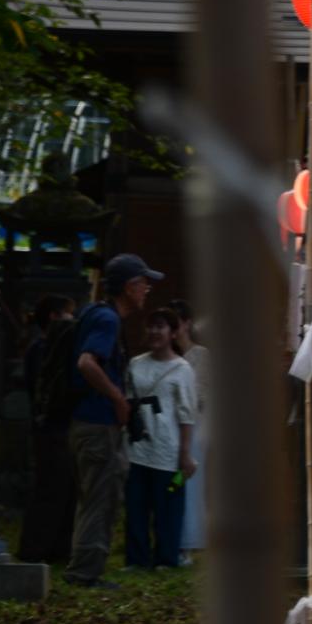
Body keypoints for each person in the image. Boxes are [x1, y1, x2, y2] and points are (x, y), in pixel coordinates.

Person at [65, 252, 162, 588]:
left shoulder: (92, 313)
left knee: (93, 496)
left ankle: (84, 566)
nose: (147, 288)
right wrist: (118, 398)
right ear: (127, 287)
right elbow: (87, 363)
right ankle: (85, 573)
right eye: (142, 282)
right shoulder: (108, 320)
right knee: (100, 498)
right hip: (98, 423)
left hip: (85, 422)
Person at [124, 308, 198, 570]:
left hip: (168, 447)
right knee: (136, 505)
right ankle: (137, 558)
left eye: (161, 327)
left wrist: (186, 453)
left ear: (173, 332)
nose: (155, 332)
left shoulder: (182, 369)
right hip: (137, 445)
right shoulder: (135, 364)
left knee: (167, 506)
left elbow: (187, 412)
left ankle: (166, 557)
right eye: (151, 326)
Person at [16, 294, 77, 565]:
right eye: (67, 314)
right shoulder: (44, 349)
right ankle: (37, 549)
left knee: (63, 488)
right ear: (54, 316)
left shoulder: (42, 348)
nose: (71, 320)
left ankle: (56, 548)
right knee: (50, 488)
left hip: (52, 425)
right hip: (51, 426)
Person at [169, 301, 208, 562]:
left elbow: (202, 396)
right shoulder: (166, 357)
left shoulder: (201, 356)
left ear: (186, 324)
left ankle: (188, 541)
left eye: (176, 323)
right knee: (171, 485)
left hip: (194, 430)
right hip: (167, 431)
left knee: (188, 483)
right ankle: (172, 537)